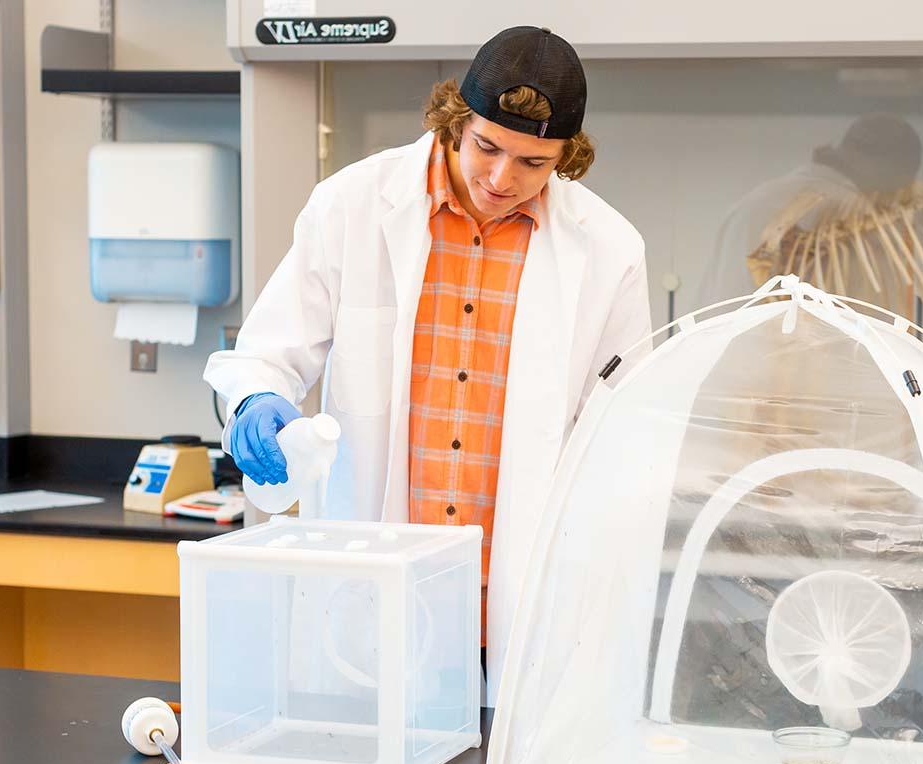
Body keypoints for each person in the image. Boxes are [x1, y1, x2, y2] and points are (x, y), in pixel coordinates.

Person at [204, 26, 651, 700]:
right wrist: (256, 400)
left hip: (518, 596)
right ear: (454, 122)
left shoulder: (611, 250)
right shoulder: (354, 204)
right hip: (376, 591)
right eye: (488, 147)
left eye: (534, 163)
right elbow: (269, 352)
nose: (502, 179)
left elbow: (621, 430)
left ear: (568, 156)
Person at [685, 113, 923, 308]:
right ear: (887, 170)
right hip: (784, 358)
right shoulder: (853, 214)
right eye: (900, 183)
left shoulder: (755, 200)